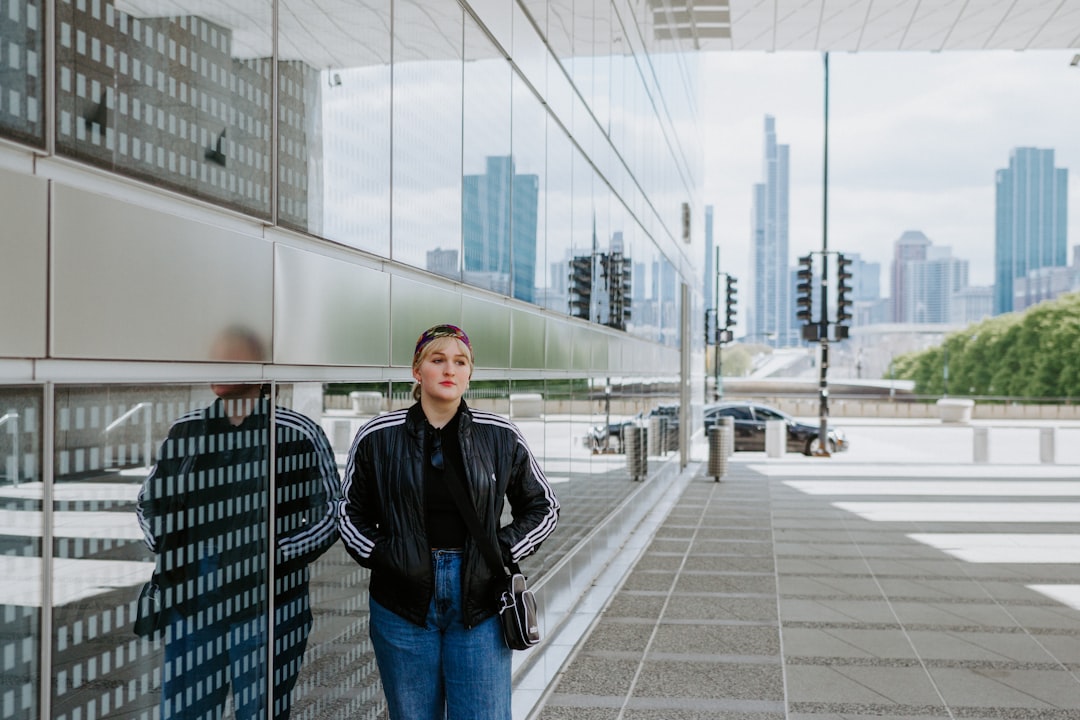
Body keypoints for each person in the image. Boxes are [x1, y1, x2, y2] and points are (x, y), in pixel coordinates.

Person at [339, 324, 559, 720]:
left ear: (470, 373)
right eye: (437, 360)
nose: (449, 370)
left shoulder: (499, 434)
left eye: (460, 362)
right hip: (402, 601)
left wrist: (502, 550)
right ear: (417, 370)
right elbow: (347, 511)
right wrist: (387, 556)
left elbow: (544, 507)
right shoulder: (378, 436)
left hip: (480, 601)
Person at [136, 327, 340, 720]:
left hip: (269, 603)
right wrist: (171, 550)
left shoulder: (297, 432)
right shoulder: (187, 429)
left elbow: (331, 511)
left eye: (231, 357)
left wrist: (275, 553)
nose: (216, 365)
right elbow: (148, 501)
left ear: (262, 367)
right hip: (193, 599)